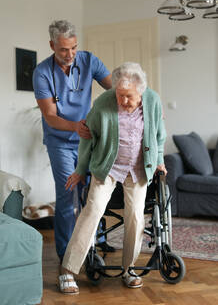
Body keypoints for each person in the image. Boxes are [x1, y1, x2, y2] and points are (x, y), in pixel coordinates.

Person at [58, 62, 167, 294]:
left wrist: (160, 160)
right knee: (92, 210)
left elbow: (159, 134)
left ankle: (129, 270)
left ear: (141, 91)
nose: (123, 101)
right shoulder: (103, 103)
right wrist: (80, 169)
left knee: (136, 217)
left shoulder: (153, 101)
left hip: (139, 170)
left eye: (128, 96)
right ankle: (67, 270)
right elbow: (87, 136)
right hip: (107, 168)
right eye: (119, 95)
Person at [33, 20, 114, 263]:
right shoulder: (42, 72)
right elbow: (49, 115)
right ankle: (66, 252)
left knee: (94, 190)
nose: (70, 55)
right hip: (60, 142)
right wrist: (75, 127)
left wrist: (144, 102)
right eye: (63, 50)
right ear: (52, 45)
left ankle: (98, 240)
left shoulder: (89, 61)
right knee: (68, 194)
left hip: (89, 140)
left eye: (74, 48)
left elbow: (115, 89)